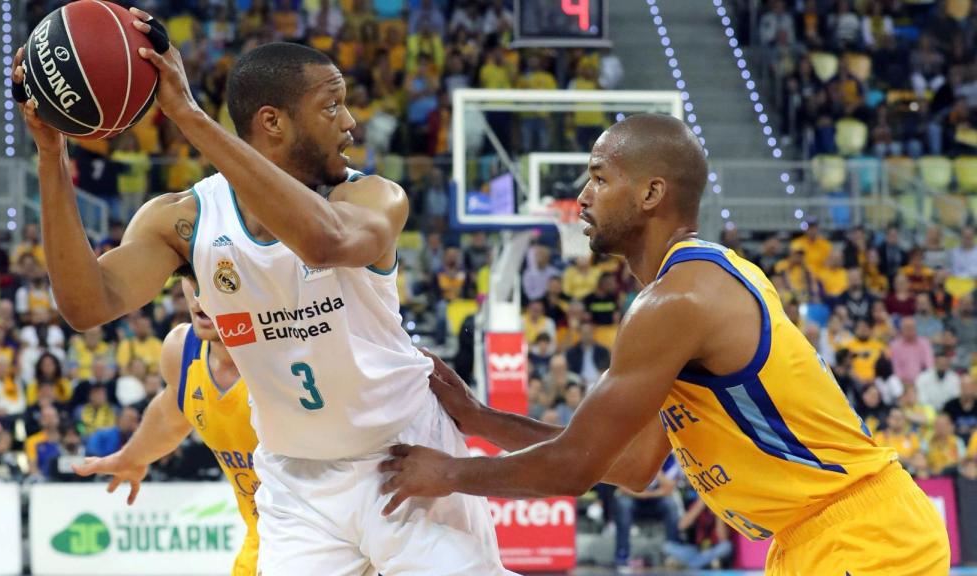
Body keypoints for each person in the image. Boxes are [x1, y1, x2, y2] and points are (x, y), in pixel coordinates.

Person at [14, 14, 504, 575]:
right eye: (331, 105)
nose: (349, 122)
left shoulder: (373, 196)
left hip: (408, 458)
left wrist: (187, 115)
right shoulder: (184, 220)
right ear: (272, 121)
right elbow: (86, 305)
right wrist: (51, 155)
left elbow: (325, 242)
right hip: (299, 484)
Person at [379, 114, 950, 574]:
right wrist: (480, 419)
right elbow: (627, 465)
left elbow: (573, 468)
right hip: (820, 537)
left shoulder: (677, 302)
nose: (582, 196)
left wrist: (449, 473)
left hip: (861, 540)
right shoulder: (696, 286)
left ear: (652, 192)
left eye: (600, 177)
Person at [74, 274, 262, 572]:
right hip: (265, 537)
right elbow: (170, 417)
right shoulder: (183, 350)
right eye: (192, 276)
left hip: (331, 532)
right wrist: (131, 457)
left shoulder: (290, 348)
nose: (200, 294)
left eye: (217, 276)